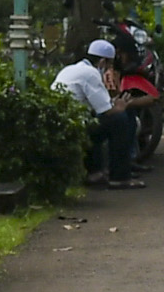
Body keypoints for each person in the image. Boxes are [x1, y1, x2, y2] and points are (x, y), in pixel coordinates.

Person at [54, 37, 144, 189]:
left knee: (106, 121)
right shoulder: (91, 73)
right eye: (109, 64)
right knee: (120, 120)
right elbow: (107, 110)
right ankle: (120, 176)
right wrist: (121, 106)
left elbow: (99, 105)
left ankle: (96, 172)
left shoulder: (71, 69)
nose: (109, 68)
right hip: (74, 125)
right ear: (102, 62)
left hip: (67, 120)